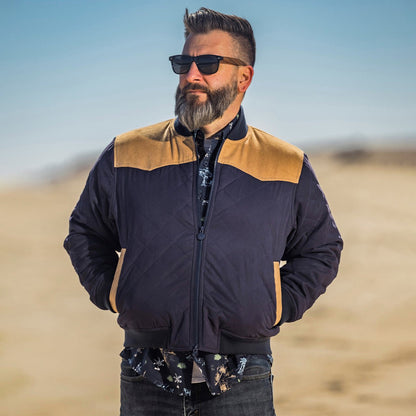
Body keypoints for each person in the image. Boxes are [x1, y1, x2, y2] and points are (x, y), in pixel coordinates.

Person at [64, 7, 343, 416]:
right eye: (184, 63)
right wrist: (114, 292)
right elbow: (85, 232)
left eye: (208, 64)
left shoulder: (286, 164)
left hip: (243, 377)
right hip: (146, 374)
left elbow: (322, 248)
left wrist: (278, 305)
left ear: (244, 77)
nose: (191, 75)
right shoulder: (126, 153)